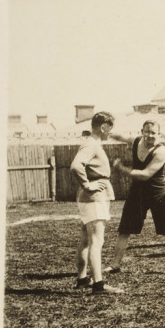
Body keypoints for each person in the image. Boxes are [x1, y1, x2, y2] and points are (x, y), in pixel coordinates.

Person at [107, 120, 165, 275]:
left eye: (154, 133)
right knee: (124, 229)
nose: (150, 135)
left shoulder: (161, 151)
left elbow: (145, 175)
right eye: (147, 132)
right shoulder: (136, 141)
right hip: (137, 192)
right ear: (142, 131)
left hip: (157, 192)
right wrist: (104, 131)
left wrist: (121, 168)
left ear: (158, 135)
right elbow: (120, 136)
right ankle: (115, 265)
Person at [70, 111, 123, 294]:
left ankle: (82, 278)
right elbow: (76, 165)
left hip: (91, 198)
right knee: (96, 240)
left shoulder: (92, 143)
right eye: (110, 129)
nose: (111, 133)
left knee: (86, 239)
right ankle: (98, 284)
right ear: (104, 127)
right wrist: (87, 185)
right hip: (93, 197)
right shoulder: (91, 144)